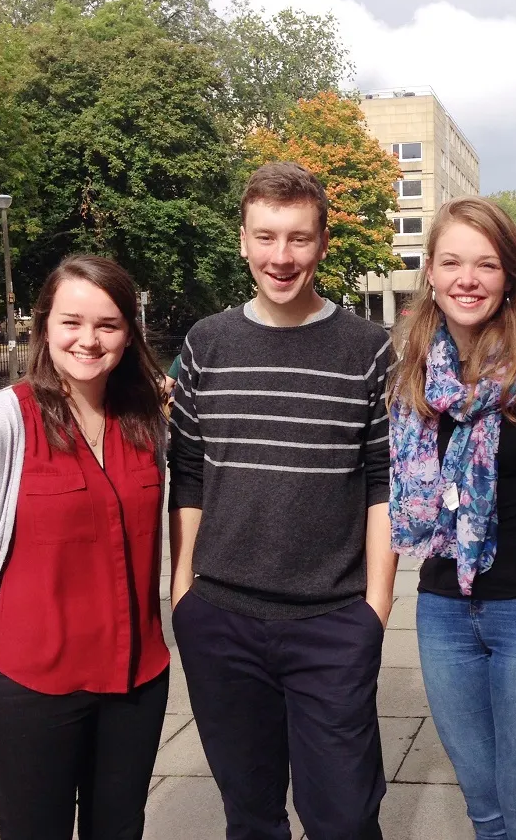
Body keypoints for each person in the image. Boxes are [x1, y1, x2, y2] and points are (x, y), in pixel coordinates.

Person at [168, 161, 396, 839]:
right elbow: (188, 472)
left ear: (322, 242)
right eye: (266, 237)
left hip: (332, 621)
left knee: (345, 818)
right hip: (221, 619)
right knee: (250, 816)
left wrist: (375, 610)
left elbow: (382, 480)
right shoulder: (207, 344)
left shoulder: (368, 349)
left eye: (298, 238)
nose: (281, 256)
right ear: (243, 240)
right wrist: (183, 594)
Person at [0, 255, 169, 839]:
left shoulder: (145, 422)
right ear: (44, 324)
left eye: (108, 324)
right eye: (71, 322)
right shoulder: (3, 420)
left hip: (135, 683)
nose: (88, 340)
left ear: (129, 333)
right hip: (31, 689)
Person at [389, 197, 516, 840]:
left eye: (486, 264)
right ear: (431, 273)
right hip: (444, 607)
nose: (467, 279)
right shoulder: (420, 367)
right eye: (451, 263)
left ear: (510, 275)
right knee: (487, 813)